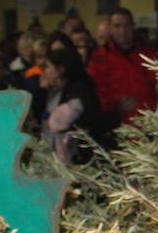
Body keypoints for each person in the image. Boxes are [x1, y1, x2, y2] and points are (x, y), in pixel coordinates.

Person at [39, 32, 107, 162]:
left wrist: (50, 120)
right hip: (61, 153)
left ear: (60, 69)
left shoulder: (79, 90)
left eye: (48, 67)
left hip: (77, 156)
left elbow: (57, 122)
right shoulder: (55, 91)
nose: (45, 71)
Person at [87, 7, 158, 126]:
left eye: (127, 25)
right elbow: (96, 93)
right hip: (116, 126)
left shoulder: (149, 55)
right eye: (117, 26)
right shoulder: (99, 58)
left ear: (133, 26)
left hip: (149, 124)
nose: (123, 30)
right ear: (110, 29)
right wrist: (114, 108)